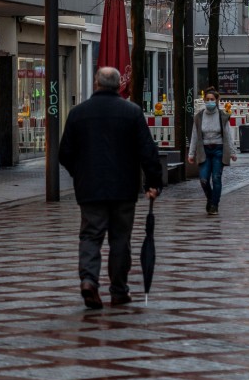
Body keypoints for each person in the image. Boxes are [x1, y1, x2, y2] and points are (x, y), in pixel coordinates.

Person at [59, 67, 162, 310]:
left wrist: (80, 173)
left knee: (90, 235)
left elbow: (65, 153)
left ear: (96, 83)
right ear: (119, 85)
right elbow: (147, 151)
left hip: (90, 188)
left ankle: (88, 280)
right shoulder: (132, 112)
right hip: (123, 188)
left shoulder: (78, 113)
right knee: (120, 239)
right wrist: (153, 183)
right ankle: (118, 290)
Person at [187, 88, 236, 214]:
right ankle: (210, 199)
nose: (210, 102)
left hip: (218, 150)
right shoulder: (199, 117)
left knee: (216, 178)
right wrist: (191, 153)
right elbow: (195, 135)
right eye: (207, 99)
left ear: (217, 100)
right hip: (204, 151)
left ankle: (214, 205)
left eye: (212, 100)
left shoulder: (222, 116)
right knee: (203, 179)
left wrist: (232, 152)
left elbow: (228, 135)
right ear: (204, 100)